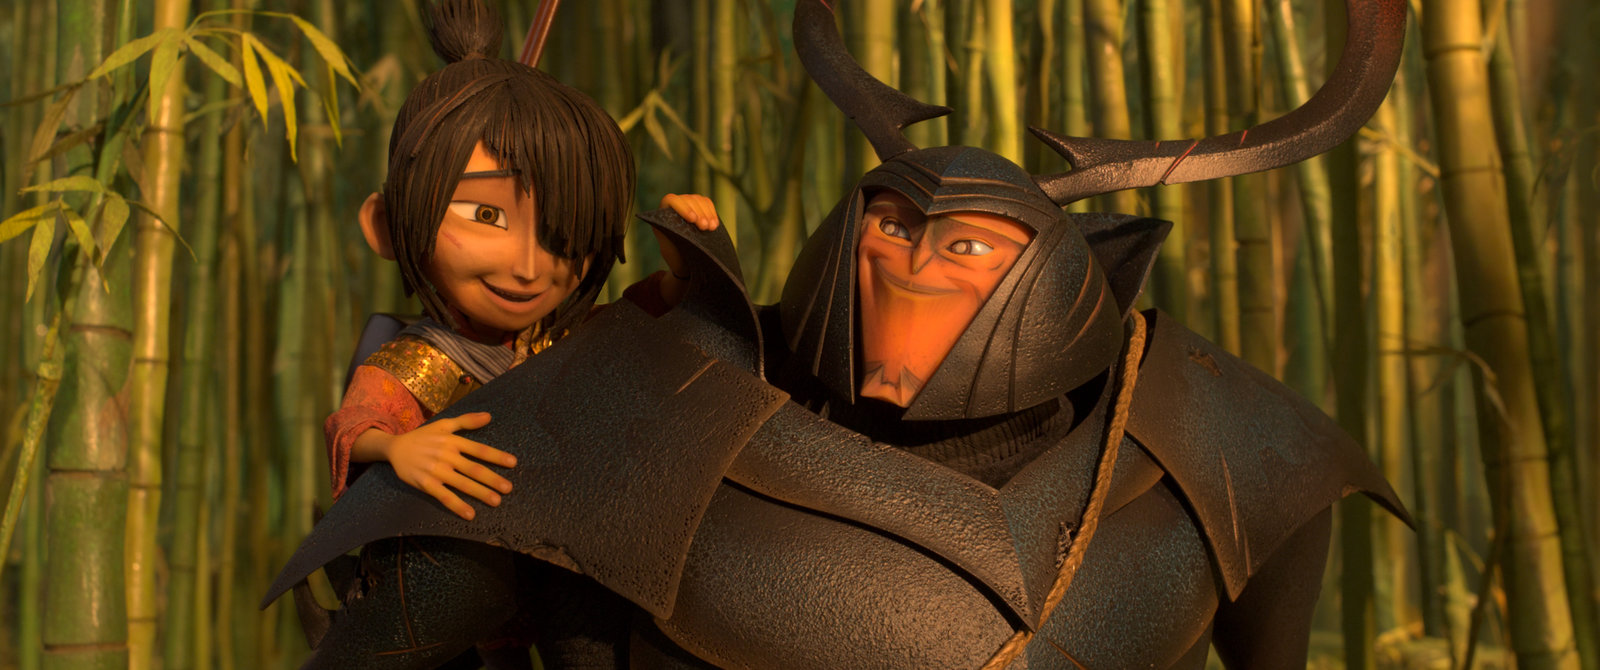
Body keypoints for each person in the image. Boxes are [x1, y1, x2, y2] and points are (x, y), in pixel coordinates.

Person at [268, 0, 1411, 667]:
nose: (911, 270)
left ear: (1082, 272)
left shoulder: (1227, 443)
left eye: (968, 248)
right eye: (894, 229)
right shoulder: (601, 407)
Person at [325, 0, 718, 520]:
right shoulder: (413, 367)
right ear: (387, 227)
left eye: (565, 229)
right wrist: (398, 449)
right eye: (486, 214)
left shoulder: (561, 339)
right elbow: (353, 426)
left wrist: (686, 259)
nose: (530, 267)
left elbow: (644, 318)